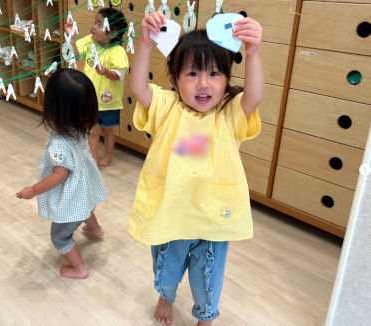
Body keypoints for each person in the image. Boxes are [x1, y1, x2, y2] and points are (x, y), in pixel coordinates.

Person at [128, 12, 263, 325]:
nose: (204, 83)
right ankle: (166, 294)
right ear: (174, 80)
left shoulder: (229, 113)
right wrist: (145, 44)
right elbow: (137, 86)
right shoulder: (166, 107)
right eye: (192, 74)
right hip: (171, 212)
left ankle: (206, 315)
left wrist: (253, 52)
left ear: (227, 80)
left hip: (213, 216)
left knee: (209, 275)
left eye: (215, 74)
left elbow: (254, 96)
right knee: (166, 266)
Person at [17, 69, 107, 279]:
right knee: (85, 207)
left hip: (72, 193)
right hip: (86, 187)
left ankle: (79, 268)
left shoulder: (59, 142)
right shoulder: (81, 126)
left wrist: (33, 190)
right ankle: (96, 230)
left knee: (60, 237)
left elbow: (59, 176)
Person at [66, 7, 128, 166]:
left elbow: (118, 75)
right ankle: (93, 162)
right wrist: (70, 36)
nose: (93, 26)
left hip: (109, 101)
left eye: (99, 24)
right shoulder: (89, 41)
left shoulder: (118, 51)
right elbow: (73, 52)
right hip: (90, 98)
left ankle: (108, 155)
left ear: (113, 32)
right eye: (95, 22)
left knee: (108, 131)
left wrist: (105, 72)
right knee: (92, 132)